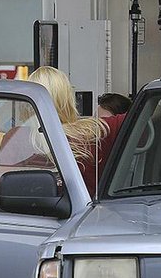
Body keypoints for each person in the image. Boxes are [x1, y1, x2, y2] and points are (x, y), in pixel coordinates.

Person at [29, 67, 126, 197]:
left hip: (27, 216)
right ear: (68, 100)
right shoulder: (91, 132)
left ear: (28, 104)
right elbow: (143, 116)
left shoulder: (15, 139)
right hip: (88, 215)